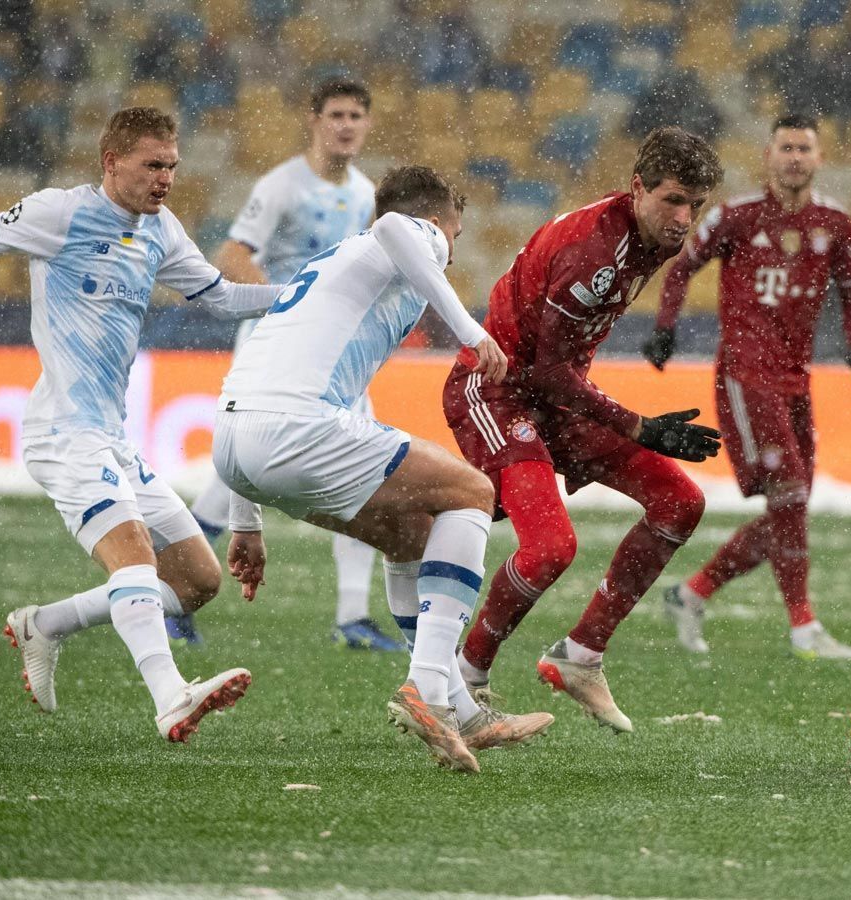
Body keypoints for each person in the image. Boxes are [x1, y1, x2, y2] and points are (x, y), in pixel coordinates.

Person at [0, 107, 286, 742]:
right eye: (152, 165)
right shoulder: (58, 213)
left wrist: (309, 292)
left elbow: (223, 298)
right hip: (63, 432)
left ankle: (47, 623)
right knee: (135, 554)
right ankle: (172, 698)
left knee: (197, 580)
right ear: (111, 162)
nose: (165, 177)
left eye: (171, 165)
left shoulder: (161, 230)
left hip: (112, 436)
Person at [214, 165, 552, 772]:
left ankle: (459, 710)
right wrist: (470, 328)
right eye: (455, 231)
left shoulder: (333, 271)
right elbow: (399, 225)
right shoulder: (404, 234)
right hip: (295, 426)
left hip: (236, 440)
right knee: (471, 492)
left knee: (407, 533)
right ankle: (427, 687)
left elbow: (257, 368)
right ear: (442, 219)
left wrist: (245, 516)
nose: (449, 252)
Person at [443, 127, 724, 733]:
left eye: (695, 205)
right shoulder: (595, 252)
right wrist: (640, 426)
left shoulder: (651, 237)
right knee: (551, 549)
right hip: (497, 391)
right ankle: (462, 678)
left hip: (555, 400)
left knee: (680, 502)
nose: (683, 219)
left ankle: (581, 656)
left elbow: (562, 371)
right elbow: (547, 370)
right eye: (673, 200)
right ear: (637, 187)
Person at [643, 114, 851, 660]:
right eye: (786, 147)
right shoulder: (735, 217)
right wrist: (664, 327)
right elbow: (680, 268)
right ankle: (803, 628)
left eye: (804, 148)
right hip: (747, 375)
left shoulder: (835, 223)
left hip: (796, 378)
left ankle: (690, 593)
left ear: (819, 158)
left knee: (789, 508)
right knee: (790, 495)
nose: (794, 157)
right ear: (768, 156)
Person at [182, 79, 398, 651]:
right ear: (315, 120)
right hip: (275, 345)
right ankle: (169, 593)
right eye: (335, 114)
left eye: (356, 114)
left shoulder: (366, 194)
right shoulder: (281, 186)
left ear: (367, 124)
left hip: (338, 353)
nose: (346, 124)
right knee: (243, 471)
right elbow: (230, 255)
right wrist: (293, 301)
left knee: (364, 461)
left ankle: (353, 617)